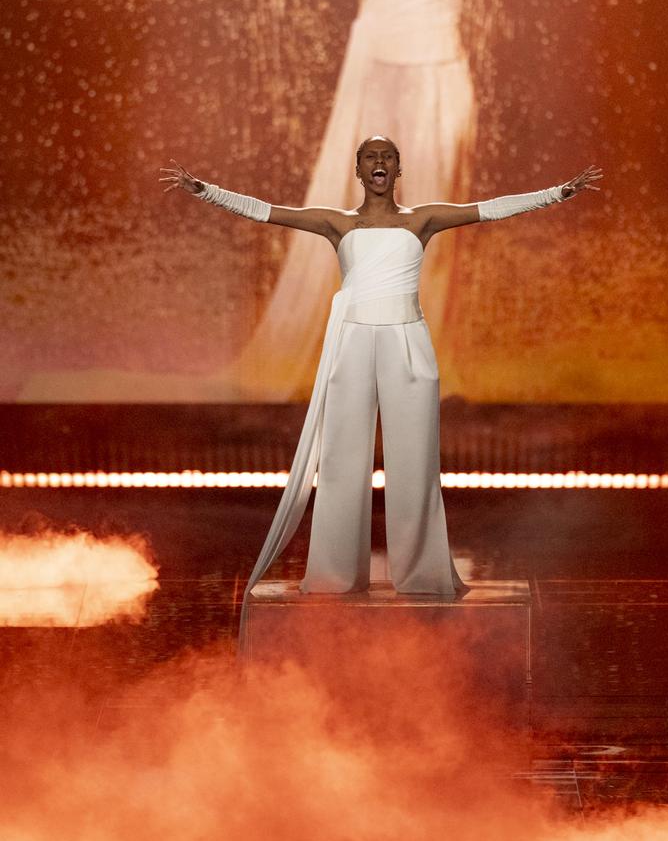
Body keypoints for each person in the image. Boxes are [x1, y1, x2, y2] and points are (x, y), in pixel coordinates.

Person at [128, 0, 668, 401]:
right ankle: (352, 354)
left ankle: (425, 363)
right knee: (356, 213)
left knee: (437, 217)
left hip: (441, 79)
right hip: (373, 76)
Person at [160, 138, 603, 604]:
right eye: (370, 157)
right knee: (340, 462)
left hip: (406, 342)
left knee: (415, 462)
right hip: (352, 343)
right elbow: (270, 211)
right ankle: (335, 575)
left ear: (398, 169)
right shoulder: (337, 223)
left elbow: (488, 209)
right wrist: (204, 190)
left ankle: (422, 574)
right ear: (357, 171)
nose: (379, 163)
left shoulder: (422, 219)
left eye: (387, 157)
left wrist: (558, 193)